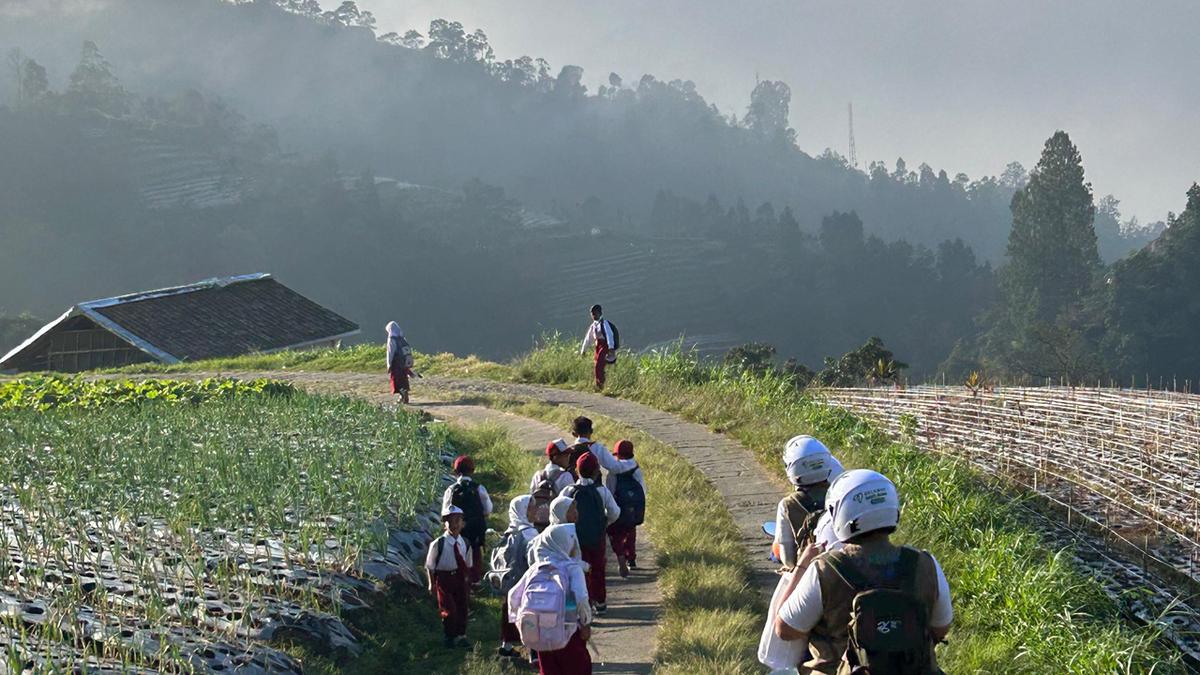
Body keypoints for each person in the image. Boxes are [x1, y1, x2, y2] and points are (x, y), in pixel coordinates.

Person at [774, 470, 953, 674]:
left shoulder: (825, 570)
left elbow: (784, 629)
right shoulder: (925, 563)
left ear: (840, 515)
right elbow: (940, 628)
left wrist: (801, 566)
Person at [508, 524, 593, 674]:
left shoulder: (536, 568)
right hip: (569, 631)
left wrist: (519, 622)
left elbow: (513, 596)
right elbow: (581, 598)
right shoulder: (572, 568)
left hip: (541, 634)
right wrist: (585, 623)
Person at [773, 435, 844, 571]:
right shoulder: (842, 495)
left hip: (810, 572)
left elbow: (787, 558)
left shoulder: (788, 505)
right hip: (846, 569)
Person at [563, 452, 621, 615]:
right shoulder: (602, 491)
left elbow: (559, 510)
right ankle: (600, 602)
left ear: (576, 471)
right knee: (597, 568)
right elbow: (615, 512)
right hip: (597, 538)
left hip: (575, 538)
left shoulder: (569, 490)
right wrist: (604, 523)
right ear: (596, 472)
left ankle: (583, 602)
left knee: (577, 569)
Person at [495, 495, 539, 659]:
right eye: (531, 507)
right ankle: (534, 653)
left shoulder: (509, 532)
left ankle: (506, 647)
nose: (536, 510)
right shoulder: (530, 534)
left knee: (509, 612)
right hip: (527, 582)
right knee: (531, 614)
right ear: (522, 511)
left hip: (510, 582)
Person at [425, 505, 473, 648]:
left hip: (459, 578)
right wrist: (431, 583)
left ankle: (461, 635)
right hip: (444, 579)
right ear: (445, 524)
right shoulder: (438, 543)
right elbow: (430, 566)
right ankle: (449, 636)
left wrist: (468, 579)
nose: (455, 524)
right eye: (451, 521)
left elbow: (468, 563)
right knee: (449, 609)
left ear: (463, 523)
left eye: (458, 520)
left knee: (462, 607)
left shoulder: (465, 542)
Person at [442, 455, 493, 585]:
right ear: (472, 470)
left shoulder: (451, 490)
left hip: (457, 526)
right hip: (476, 526)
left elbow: (445, 511)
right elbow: (488, 509)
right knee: (475, 551)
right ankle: (475, 579)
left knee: (457, 550)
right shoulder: (479, 488)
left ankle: (459, 578)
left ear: (455, 472)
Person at [604, 439, 646, 578]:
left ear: (617, 455)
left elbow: (610, 490)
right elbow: (642, 489)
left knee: (616, 534)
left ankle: (621, 555)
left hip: (618, 508)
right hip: (633, 508)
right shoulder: (636, 468)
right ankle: (631, 557)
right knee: (631, 532)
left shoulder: (614, 472)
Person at [568, 416, 638, 477]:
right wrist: (631, 463)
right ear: (591, 431)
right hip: (592, 489)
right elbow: (614, 467)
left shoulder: (568, 451)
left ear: (573, 434)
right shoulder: (597, 448)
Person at [530, 439, 576, 531]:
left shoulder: (538, 475)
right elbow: (570, 502)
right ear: (555, 457)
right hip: (558, 524)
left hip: (537, 522)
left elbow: (531, 496)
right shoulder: (566, 476)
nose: (568, 457)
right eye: (565, 455)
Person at [578, 304, 616, 390]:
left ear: (599, 313)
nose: (593, 316)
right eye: (592, 314)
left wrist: (611, 348)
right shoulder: (593, 325)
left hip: (605, 346)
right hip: (598, 346)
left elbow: (609, 335)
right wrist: (583, 350)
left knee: (599, 364)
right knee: (596, 364)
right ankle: (599, 384)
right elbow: (588, 339)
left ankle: (600, 385)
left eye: (594, 313)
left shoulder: (604, 323)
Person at [385, 321, 415, 403]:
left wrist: (389, 364)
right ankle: (405, 397)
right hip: (403, 363)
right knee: (404, 379)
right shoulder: (401, 338)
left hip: (396, 363)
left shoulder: (391, 339)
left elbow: (390, 353)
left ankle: (402, 397)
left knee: (397, 380)